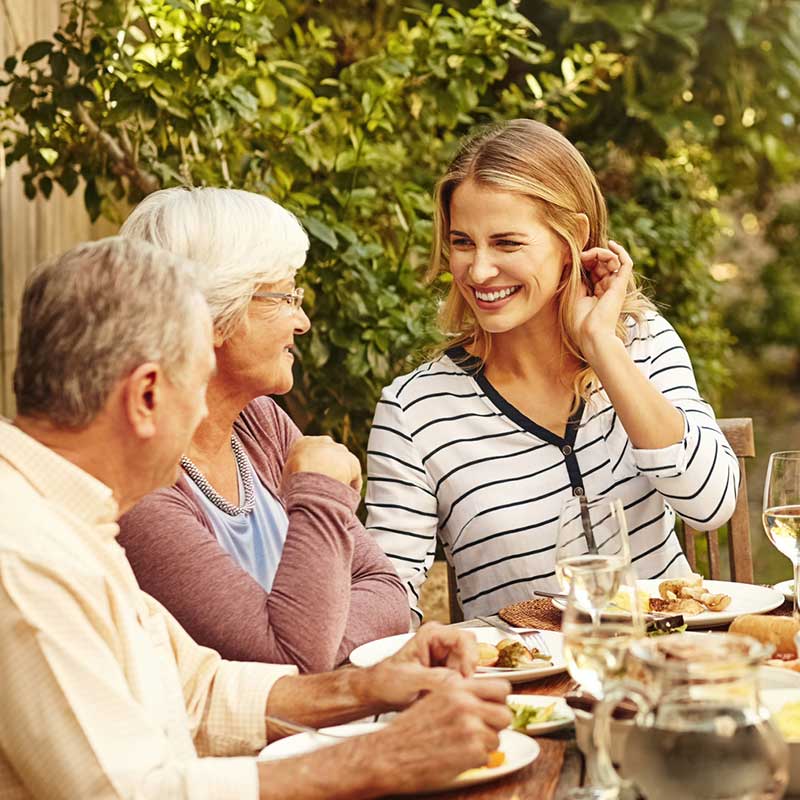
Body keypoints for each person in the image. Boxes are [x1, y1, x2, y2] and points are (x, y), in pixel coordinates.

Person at [0, 236, 512, 799]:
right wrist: (381, 756)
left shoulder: (68, 515)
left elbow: (197, 692)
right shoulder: (24, 555)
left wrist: (368, 686)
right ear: (145, 395)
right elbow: (125, 794)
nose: (204, 413)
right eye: (197, 386)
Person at [365, 119, 740, 623]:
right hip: (531, 692)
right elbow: (387, 595)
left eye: (507, 243)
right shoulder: (414, 412)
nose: (477, 271)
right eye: (462, 242)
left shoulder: (642, 343)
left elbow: (711, 502)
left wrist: (603, 348)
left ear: (572, 239)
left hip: (674, 668)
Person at [116, 187, 411, 672]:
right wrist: (319, 492)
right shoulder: (144, 488)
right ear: (211, 315)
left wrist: (317, 645)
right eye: (285, 297)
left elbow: (386, 589)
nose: (303, 321)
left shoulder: (258, 422)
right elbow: (288, 661)